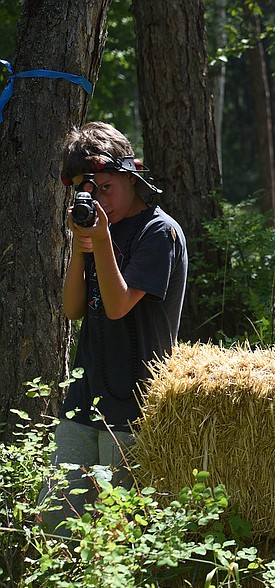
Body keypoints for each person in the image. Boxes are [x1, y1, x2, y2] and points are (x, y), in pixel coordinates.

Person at [44, 121, 187, 529]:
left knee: (119, 522)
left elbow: (119, 305)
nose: (98, 201)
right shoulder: (97, 228)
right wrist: (80, 246)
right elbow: (73, 309)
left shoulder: (159, 231)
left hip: (135, 398)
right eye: (88, 193)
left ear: (131, 176)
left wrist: (102, 240)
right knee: (57, 518)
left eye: (106, 188)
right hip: (86, 393)